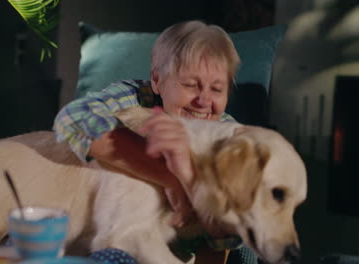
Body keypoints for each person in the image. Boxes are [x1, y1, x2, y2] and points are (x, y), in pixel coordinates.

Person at [54, 20, 241, 263]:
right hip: (112, 234)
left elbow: (223, 238)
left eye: (217, 89)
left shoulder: (229, 133)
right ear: (157, 81)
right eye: (190, 85)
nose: (204, 101)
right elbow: (73, 118)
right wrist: (171, 178)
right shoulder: (135, 97)